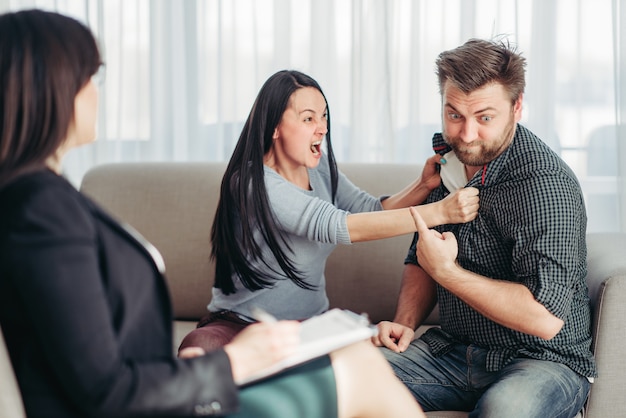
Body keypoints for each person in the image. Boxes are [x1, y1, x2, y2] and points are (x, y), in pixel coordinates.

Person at [0, 9, 428, 418]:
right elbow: (104, 390)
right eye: (89, 76)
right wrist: (233, 363)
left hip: (184, 381)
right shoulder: (42, 212)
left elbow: (369, 209)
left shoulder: (44, 201)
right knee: (362, 372)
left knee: (359, 360)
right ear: (50, 87)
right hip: (172, 386)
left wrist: (425, 187)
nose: (97, 90)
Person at [178, 69, 480, 354]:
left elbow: (369, 210)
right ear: (274, 127)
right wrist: (440, 212)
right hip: (240, 326)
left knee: (365, 358)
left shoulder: (320, 167)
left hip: (308, 328)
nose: (322, 127)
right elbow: (340, 226)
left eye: (323, 116)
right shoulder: (252, 182)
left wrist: (422, 186)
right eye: (308, 118)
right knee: (199, 347)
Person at [373, 38, 597, 417]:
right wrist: (404, 323)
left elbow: (543, 318)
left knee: (506, 410)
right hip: (453, 351)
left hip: (542, 360)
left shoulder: (546, 184)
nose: (467, 135)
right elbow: (422, 254)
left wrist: (447, 271)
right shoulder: (447, 163)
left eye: (485, 118)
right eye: (454, 115)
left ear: (517, 106)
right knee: (342, 377)